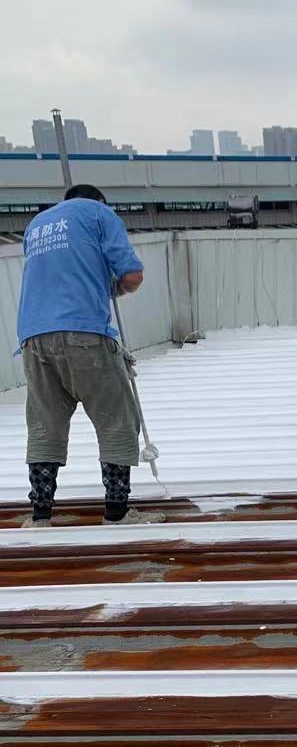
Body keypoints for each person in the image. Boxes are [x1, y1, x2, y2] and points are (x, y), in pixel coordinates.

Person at [16, 183, 145, 525]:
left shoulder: (37, 224)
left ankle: (40, 515)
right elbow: (133, 275)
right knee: (116, 418)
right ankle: (117, 512)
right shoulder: (99, 213)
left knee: (44, 424)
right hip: (84, 333)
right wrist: (118, 287)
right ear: (99, 201)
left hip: (33, 337)